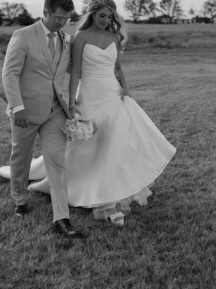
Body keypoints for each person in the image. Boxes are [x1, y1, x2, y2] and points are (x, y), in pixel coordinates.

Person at [27, 0, 176, 226]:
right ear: (93, 15)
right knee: (86, 145)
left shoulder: (115, 37)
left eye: (110, 17)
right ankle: (79, 187)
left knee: (115, 143)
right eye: (102, 16)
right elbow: (76, 71)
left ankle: (112, 196)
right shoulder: (82, 37)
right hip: (89, 95)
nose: (107, 21)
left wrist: (126, 88)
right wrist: (72, 101)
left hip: (114, 95)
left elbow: (118, 68)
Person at [2, 0, 84, 238]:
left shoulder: (66, 39)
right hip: (25, 111)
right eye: (58, 18)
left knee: (58, 162)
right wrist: (17, 107)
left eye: (67, 19)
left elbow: (69, 72)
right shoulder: (23, 36)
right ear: (46, 13)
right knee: (21, 156)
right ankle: (19, 199)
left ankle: (62, 218)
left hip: (56, 111)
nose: (63, 23)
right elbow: (10, 73)